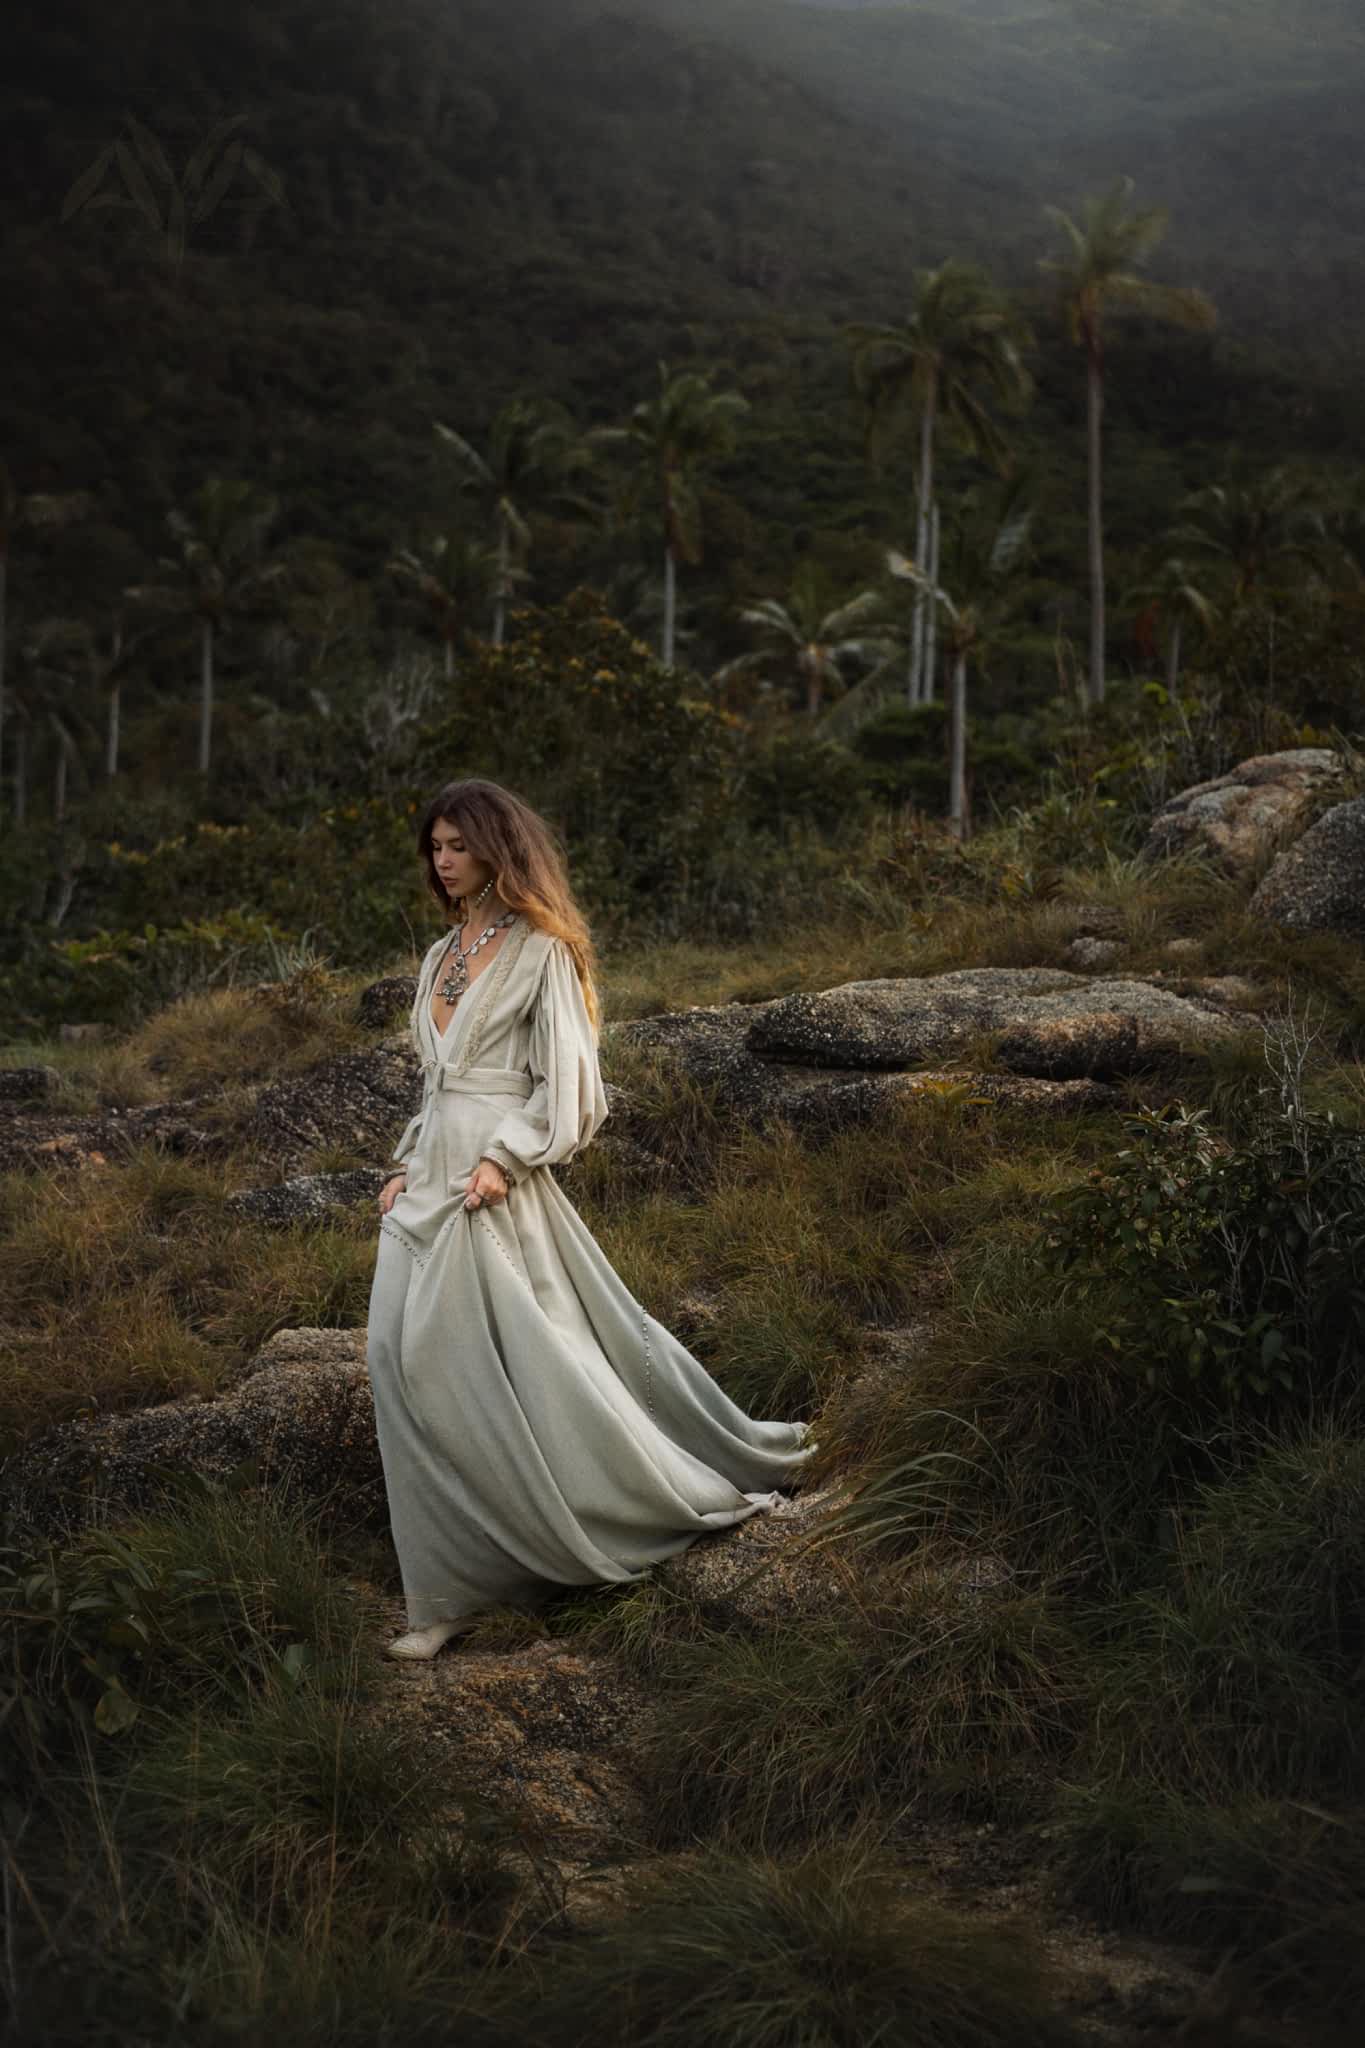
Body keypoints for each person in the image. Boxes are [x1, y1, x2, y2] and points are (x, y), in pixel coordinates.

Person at [366, 777, 818, 1659]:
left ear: (498, 847)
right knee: (395, 1362)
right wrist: (401, 1162)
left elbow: (569, 1084)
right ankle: (450, 1585)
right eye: (435, 847)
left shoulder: (544, 951)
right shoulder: (436, 957)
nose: (443, 861)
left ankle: (507, 1568)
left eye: (458, 845)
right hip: (425, 1179)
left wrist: (503, 1158)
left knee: (488, 1372)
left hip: (490, 1182)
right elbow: (436, 1084)